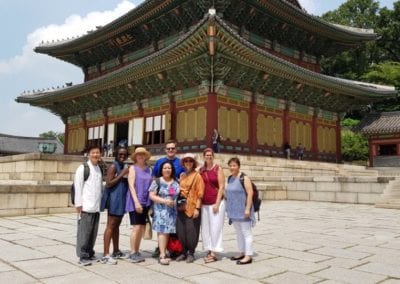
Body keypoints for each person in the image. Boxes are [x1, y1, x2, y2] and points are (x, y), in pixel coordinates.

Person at [151, 140, 185, 257]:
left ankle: (171, 248)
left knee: (171, 227)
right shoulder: (160, 161)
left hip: (174, 200)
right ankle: (161, 250)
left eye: (172, 148)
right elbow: (155, 176)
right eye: (168, 148)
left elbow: (183, 177)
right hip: (161, 199)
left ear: (176, 150)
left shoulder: (180, 162)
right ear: (165, 150)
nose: (170, 150)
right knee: (162, 227)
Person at [74, 145, 103, 266]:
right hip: (86, 205)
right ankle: (82, 255)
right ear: (88, 154)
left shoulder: (98, 168)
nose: (95, 155)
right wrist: (78, 204)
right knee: (84, 232)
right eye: (93, 152)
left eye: (97, 152)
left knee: (93, 232)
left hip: (96, 206)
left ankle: (90, 252)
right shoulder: (83, 168)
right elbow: (78, 186)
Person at [100, 146, 130, 264]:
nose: (122, 156)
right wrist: (122, 174)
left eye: (124, 154)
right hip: (114, 200)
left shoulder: (123, 166)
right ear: (116, 154)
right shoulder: (113, 166)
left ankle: (116, 250)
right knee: (111, 225)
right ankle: (106, 254)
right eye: (120, 154)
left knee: (117, 225)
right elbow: (108, 183)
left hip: (121, 199)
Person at [149, 161, 180, 265]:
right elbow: (152, 195)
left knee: (167, 232)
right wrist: (165, 201)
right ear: (161, 170)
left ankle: (165, 251)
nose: (167, 170)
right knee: (162, 232)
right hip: (161, 211)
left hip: (172, 212)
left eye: (169, 168)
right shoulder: (157, 181)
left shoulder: (175, 181)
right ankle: (162, 255)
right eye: (165, 168)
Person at [175, 153, 205, 263]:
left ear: (194, 163)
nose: (188, 163)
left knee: (192, 231)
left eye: (190, 161)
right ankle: (183, 252)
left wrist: (197, 208)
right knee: (181, 230)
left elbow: (200, 193)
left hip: (192, 206)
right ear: (183, 163)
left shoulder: (197, 176)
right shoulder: (182, 175)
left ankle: (191, 253)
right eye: (186, 161)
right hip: (181, 206)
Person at [225, 157, 255, 265]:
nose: (232, 167)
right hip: (234, 211)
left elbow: (250, 193)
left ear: (239, 166)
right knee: (238, 233)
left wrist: (247, 209)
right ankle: (242, 252)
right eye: (230, 165)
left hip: (243, 210)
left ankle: (248, 255)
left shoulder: (244, 178)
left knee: (246, 233)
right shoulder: (229, 178)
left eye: (234, 165)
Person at [125, 147, 152, 263]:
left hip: (146, 201)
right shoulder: (132, 168)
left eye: (143, 154)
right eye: (138, 155)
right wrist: (136, 202)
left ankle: (137, 250)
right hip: (135, 201)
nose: (141, 156)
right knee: (136, 227)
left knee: (141, 227)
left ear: (146, 156)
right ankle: (132, 252)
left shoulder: (149, 169)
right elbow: (131, 185)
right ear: (135, 157)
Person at [199, 148, 225, 263]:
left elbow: (222, 187)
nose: (208, 157)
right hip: (204, 203)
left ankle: (214, 251)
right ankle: (209, 248)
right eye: (206, 155)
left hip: (216, 202)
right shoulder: (201, 169)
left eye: (210, 155)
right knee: (206, 228)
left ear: (213, 156)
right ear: (203, 156)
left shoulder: (218, 168)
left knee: (215, 227)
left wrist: (217, 203)